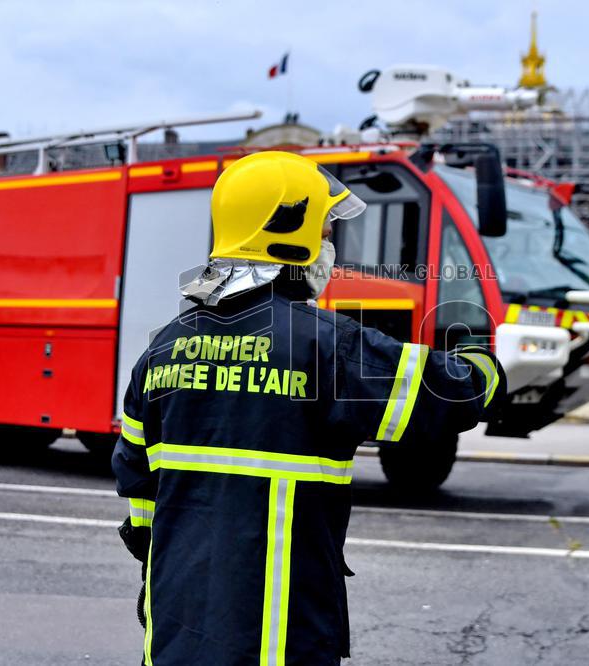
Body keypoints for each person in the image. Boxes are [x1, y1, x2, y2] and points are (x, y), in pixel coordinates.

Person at [112, 151, 506, 665]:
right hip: (278, 638)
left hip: (174, 632)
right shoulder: (326, 347)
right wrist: (488, 356)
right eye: (323, 229)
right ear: (288, 230)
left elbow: (137, 492)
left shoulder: (160, 349)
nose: (330, 246)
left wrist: (160, 568)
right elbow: (455, 397)